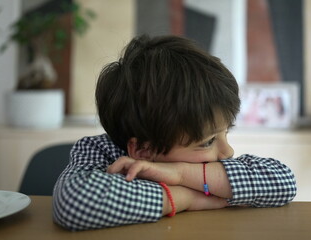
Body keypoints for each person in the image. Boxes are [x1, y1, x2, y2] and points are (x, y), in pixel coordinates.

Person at [53, 35, 297, 231]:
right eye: (208, 141)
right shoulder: (97, 151)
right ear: (143, 150)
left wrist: (180, 173)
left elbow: (284, 181)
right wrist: (185, 198)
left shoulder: (212, 160)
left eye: (226, 132)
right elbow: (76, 203)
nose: (228, 151)